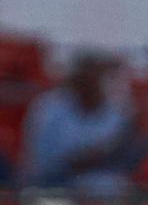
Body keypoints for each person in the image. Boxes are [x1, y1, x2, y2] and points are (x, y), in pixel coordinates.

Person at [21, 53, 140, 196]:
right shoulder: (49, 107)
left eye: (97, 77)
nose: (93, 83)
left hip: (102, 186)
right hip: (53, 183)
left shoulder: (116, 111)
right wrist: (85, 159)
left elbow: (121, 155)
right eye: (88, 78)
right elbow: (43, 162)